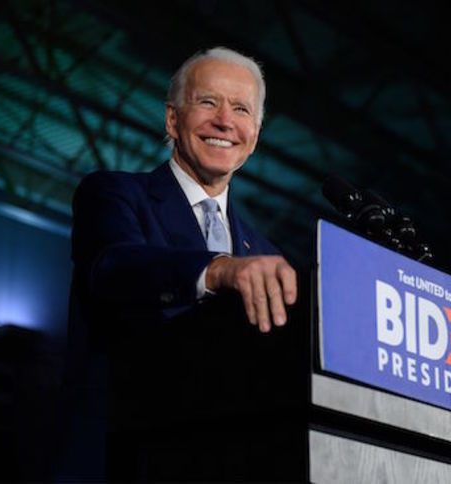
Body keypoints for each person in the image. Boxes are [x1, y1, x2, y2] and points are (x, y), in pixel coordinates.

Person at [61, 47, 305, 481]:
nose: (225, 121)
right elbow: (115, 269)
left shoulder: (267, 252)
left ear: (255, 134)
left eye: (241, 109)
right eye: (208, 102)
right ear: (173, 120)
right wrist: (218, 269)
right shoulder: (114, 194)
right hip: (128, 456)